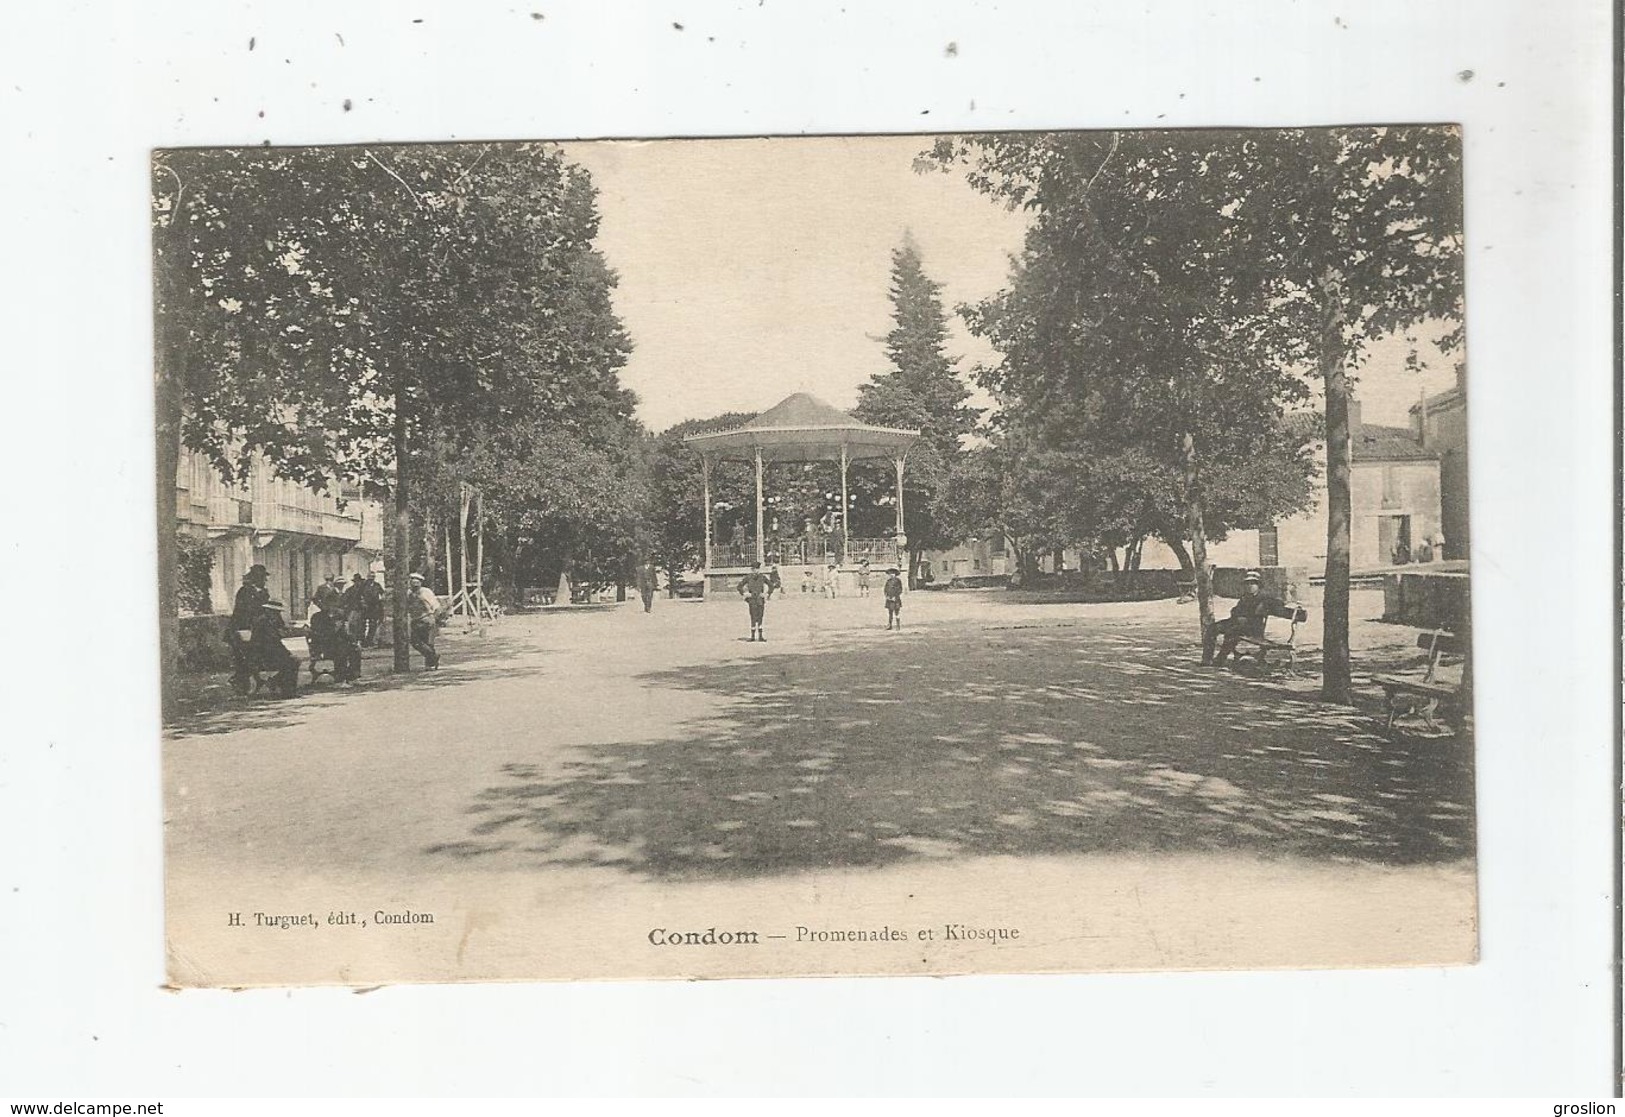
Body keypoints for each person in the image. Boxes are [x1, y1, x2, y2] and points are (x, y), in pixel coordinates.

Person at [1203, 570, 1282, 667]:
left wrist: (1263, 607)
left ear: (1258, 585)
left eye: (1253, 583)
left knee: (1231, 633)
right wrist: (1236, 614)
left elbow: (1278, 603)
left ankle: (1221, 658)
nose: (1250, 586)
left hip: (1252, 628)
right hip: (1237, 623)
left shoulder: (1263, 597)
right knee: (1212, 628)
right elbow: (1235, 611)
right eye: (1247, 583)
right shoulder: (1245, 597)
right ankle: (1207, 659)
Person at [247, 598, 300, 697]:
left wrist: (287, 653)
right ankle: (286, 690)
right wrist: (287, 654)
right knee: (291, 662)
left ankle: (280, 684)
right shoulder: (262, 622)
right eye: (275, 612)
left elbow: (277, 642)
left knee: (292, 660)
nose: (277, 614)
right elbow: (271, 642)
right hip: (261, 655)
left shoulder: (272, 621)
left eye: (278, 612)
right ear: (268, 611)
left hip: (270, 652)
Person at [407, 572, 442, 669]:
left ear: (421, 582)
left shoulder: (426, 592)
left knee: (428, 642)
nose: (414, 583)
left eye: (417, 581)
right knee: (416, 642)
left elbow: (436, 606)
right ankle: (434, 658)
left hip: (426, 618)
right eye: (412, 581)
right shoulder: (408, 593)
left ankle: (430, 664)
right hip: (415, 620)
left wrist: (434, 618)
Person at [737, 561, 769, 642]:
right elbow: (739, 586)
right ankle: (753, 636)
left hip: (760, 600)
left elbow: (771, 585)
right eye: (754, 569)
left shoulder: (762, 577)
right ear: (752, 569)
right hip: (752, 600)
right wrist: (745, 594)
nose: (756, 571)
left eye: (757, 569)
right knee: (753, 617)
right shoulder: (748, 577)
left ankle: (761, 636)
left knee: (760, 617)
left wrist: (767, 594)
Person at [360, 571, 385, 646]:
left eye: (373, 577)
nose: (371, 579)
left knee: (373, 624)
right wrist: (363, 602)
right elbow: (359, 595)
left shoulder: (377, 585)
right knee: (363, 624)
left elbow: (382, 593)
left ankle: (369, 640)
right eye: (370, 577)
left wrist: (381, 599)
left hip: (374, 607)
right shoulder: (363, 585)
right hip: (366, 607)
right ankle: (362, 640)